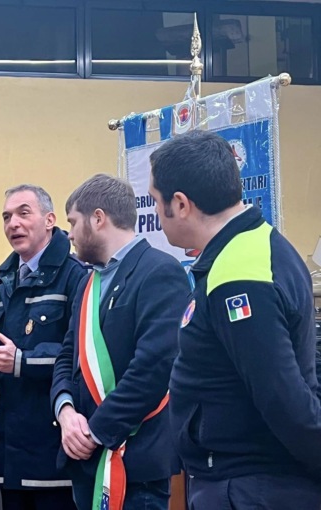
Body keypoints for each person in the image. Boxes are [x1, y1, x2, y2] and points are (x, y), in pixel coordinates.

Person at [148, 129, 321, 509]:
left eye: (156, 202)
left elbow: (283, 399)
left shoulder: (238, 275)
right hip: (246, 483)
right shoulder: (253, 248)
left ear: (181, 204)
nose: (157, 215)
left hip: (252, 488)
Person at [50, 174, 189, 510]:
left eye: (73, 222)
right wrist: (65, 411)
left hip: (134, 462)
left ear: (98, 218)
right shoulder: (88, 282)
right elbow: (67, 356)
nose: (69, 234)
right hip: (84, 460)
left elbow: (154, 368)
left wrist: (94, 432)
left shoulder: (160, 271)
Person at [0, 184, 86, 510]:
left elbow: (80, 356)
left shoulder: (75, 276)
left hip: (54, 447)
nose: (13, 224)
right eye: (6, 217)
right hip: (10, 447)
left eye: (23, 213)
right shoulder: (5, 281)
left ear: (50, 220)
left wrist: (22, 362)